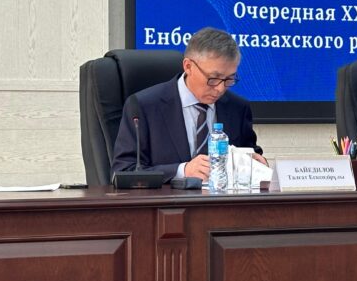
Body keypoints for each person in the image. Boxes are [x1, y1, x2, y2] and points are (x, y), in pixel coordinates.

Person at [112, 27, 265, 182]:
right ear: (188, 66)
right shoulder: (144, 106)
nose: (220, 89)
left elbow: (250, 152)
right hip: (166, 197)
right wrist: (183, 170)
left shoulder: (238, 108)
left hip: (221, 197)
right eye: (213, 78)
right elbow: (125, 170)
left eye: (229, 79)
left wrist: (257, 163)